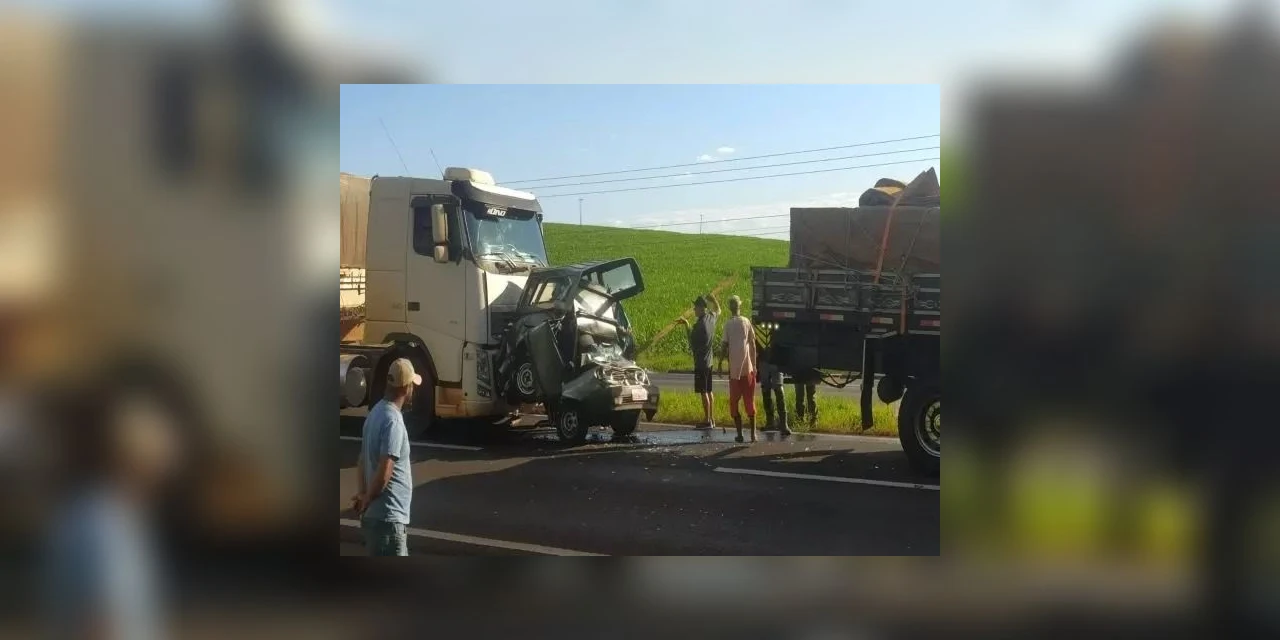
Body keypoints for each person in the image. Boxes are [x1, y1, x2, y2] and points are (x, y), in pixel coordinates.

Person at [351, 358, 419, 556]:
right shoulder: (393, 421)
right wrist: (367, 498)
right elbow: (385, 471)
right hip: (389, 521)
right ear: (406, 387)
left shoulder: (375, 413)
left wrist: (363, 494)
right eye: (412, 384)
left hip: (375, 518)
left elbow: (362, 461)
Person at [676, 294, 720, 429]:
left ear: (701, 308)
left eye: (696, 307)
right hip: (710, 361)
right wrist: (714, 300)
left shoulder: (699, 326)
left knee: (703, 392)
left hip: (701, 362)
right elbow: (719, 310)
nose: (694, 310)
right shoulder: (711, 318)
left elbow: (691, 342)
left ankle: (707, 420)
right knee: (709, 390)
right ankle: (712, 419)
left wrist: (686, 325)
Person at [720, 295, 758, 443]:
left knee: (734, 403)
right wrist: (754, 365)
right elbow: (753, 345)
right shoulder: (746, 322)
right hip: (747, 369)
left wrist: (720, 363)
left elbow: (724, 346)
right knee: (749, 402)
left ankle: (740, 434)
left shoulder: (728, 325)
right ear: (740, 306)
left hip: (734, 372)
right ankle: (753, 435)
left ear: (730, 307)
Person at [757, 339, 791, 436]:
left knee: (779, 389)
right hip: (764, 360)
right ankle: (770, 422)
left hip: (777, 360)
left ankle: (784, 424)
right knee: (765, 390)